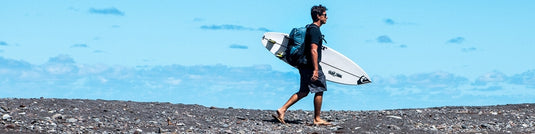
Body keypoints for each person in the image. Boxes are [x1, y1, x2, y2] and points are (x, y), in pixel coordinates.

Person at [272, 4, 331, 126]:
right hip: (310, 65)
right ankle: (317, 118)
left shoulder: (309, 28)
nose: (327, 17)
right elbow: (313, 50)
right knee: (319, 89)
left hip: (303, 64)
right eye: (325, 15)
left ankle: (282, 109)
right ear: (318, 16)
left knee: (304, 91)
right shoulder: (315, 31)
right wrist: (315, 69)